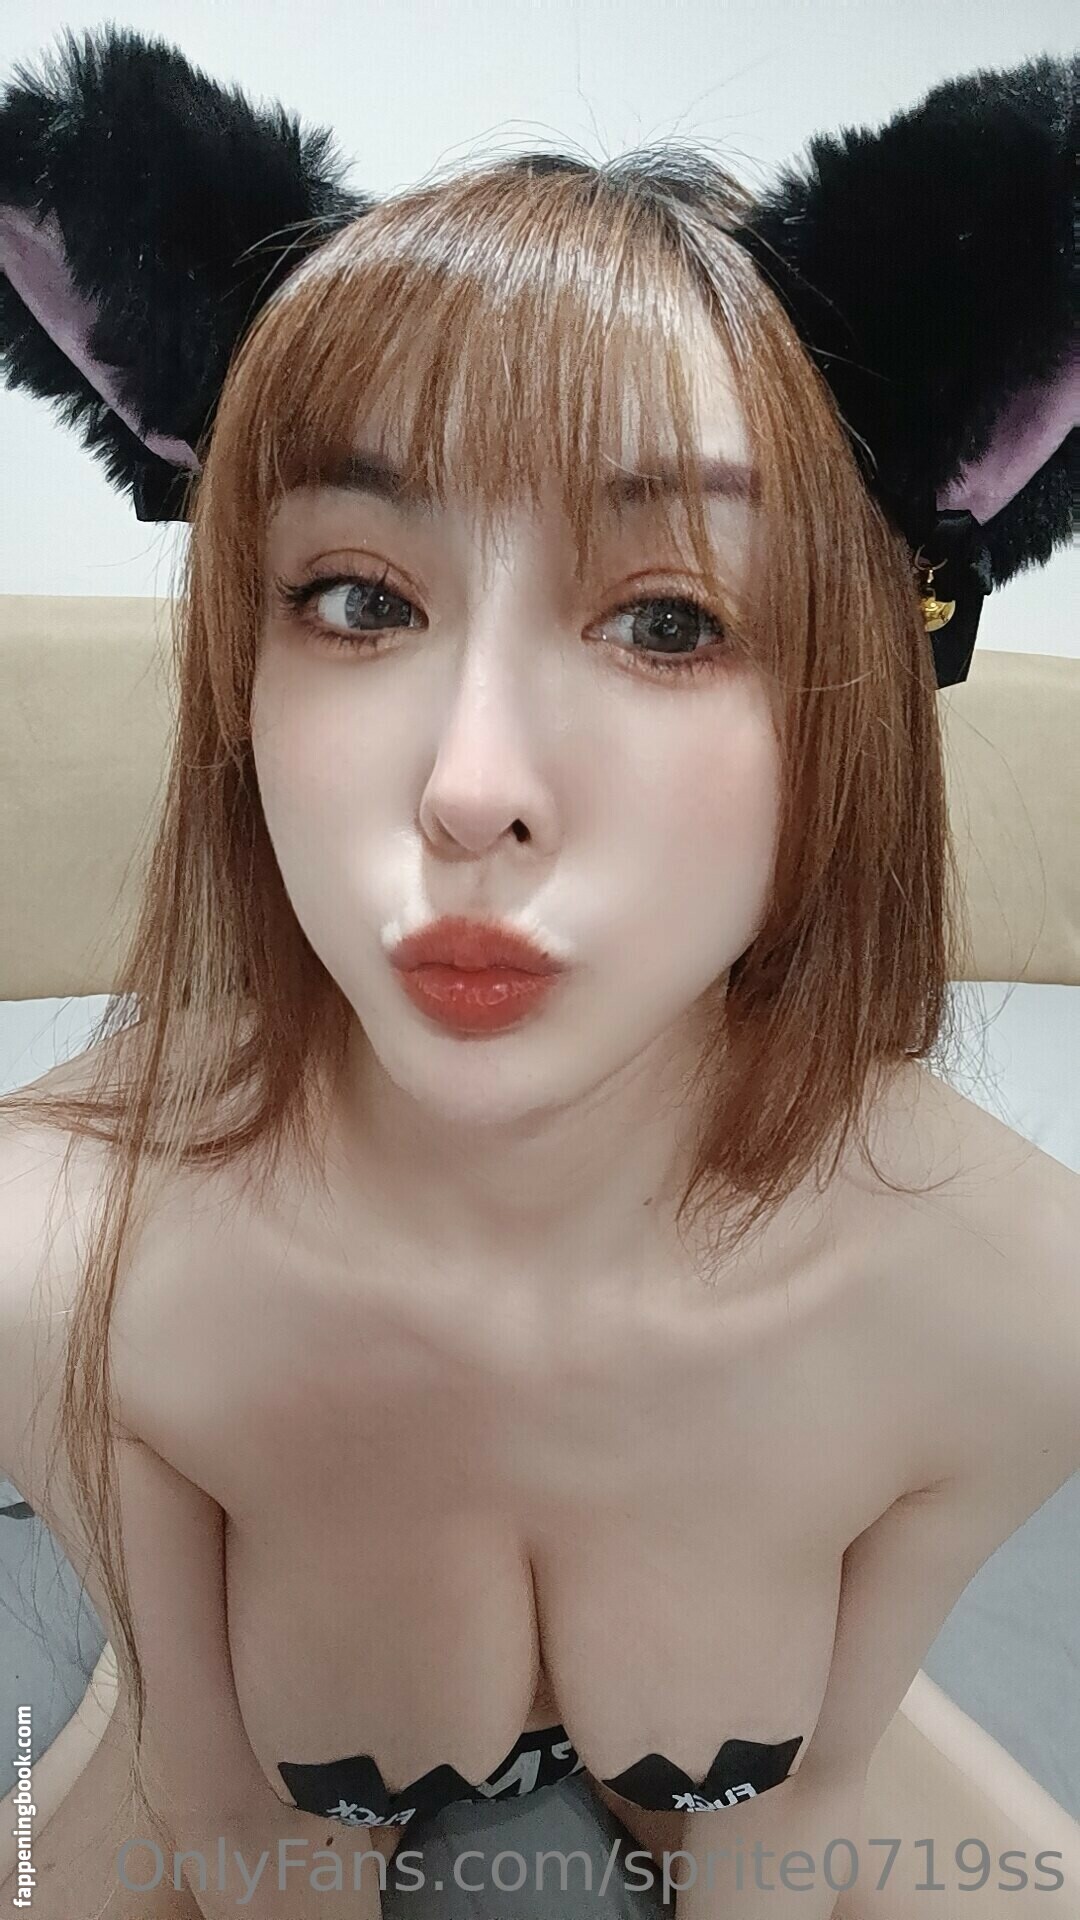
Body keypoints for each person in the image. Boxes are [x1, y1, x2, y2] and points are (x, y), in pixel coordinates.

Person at [0, 28, 1076, 1920]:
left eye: (668, 620)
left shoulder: (1009, 1303)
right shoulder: (54, 1261)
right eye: (359, 599)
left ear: (855, 687)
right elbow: (218, 1820)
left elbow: (809, 1820)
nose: (472, 786)